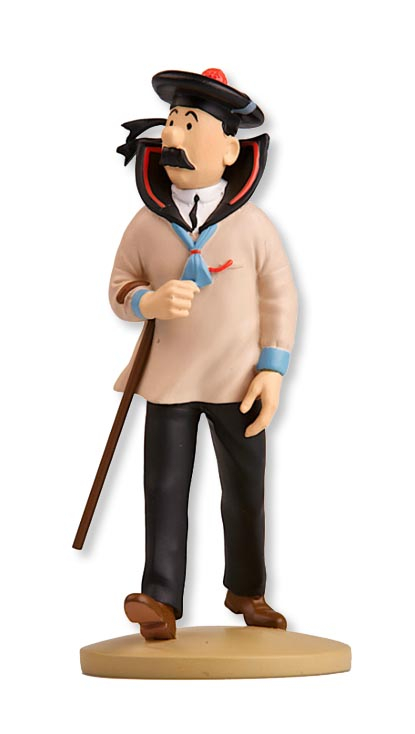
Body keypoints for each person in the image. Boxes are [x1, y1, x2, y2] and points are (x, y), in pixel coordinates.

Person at [109, 68, 298, 640]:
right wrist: (147, 301)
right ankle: (160, 597)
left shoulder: (254, 226)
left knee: (244, 492)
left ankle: (247, 588)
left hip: (238, 381)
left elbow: (279, 297)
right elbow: (119, 287)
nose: (173, 135)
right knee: (164, 489)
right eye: (171, 122)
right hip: (169, 379)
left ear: (230, 149)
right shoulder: (147, 224)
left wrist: (272, 369)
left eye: (190, 124)